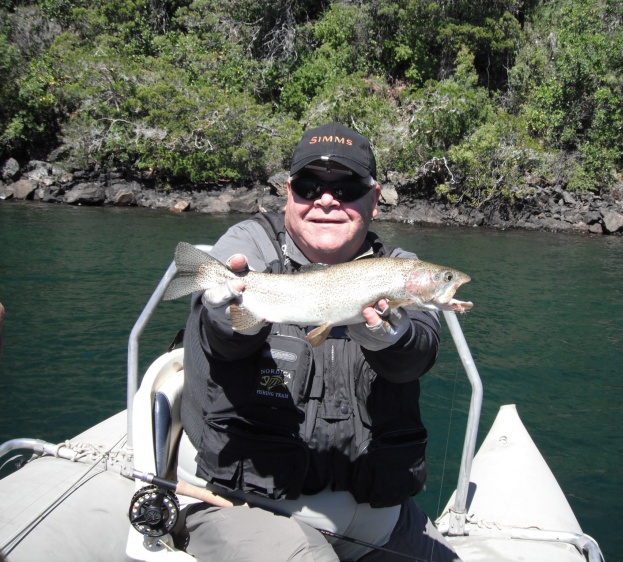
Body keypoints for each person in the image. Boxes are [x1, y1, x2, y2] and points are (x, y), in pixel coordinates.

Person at [178, 122, 461, 562]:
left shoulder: (399, 268)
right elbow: (223, 343)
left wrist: (388, 335)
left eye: (347, 188)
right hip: (246, 506)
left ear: (374, 197)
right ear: (289, 192)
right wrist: (226, 311)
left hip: (377, 519)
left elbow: (417, 353)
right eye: (310, 185)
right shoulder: (246, 245)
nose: (327, 200)